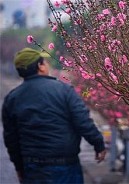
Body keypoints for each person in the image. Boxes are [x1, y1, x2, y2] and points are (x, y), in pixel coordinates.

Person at [2, 47, 107, 183]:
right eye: (45, 62)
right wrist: (98, 144)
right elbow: (82, 121)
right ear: (40, 66)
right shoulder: (64, 90)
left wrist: (19, 167)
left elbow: (11, 138)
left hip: (33, 168)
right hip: (65, 166)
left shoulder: (12, 99)